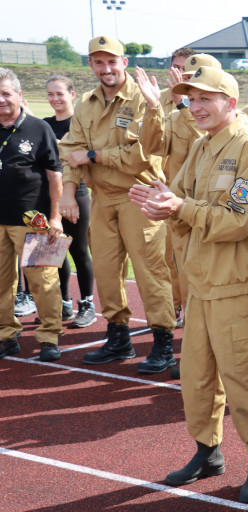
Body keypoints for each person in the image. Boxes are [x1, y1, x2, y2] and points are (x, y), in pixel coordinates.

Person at [129, 65, 248, 503]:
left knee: (243, 377)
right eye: (191, 100)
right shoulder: (200, 146)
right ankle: (208, 451)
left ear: (230, 103)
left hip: (237, 282)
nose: (196, 108)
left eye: (205, 99)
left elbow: (238, 220)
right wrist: (162, 205)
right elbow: (179, 200)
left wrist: (181, 207)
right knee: (196, 376)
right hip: (199, 283)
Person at [59, 35, 177, 374]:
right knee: (107, 272)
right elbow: (71, 150)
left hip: (138, 195)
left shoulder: (143, 99)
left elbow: (141, 157)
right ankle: (118, 336)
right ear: (91, 64)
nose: (106, 68)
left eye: (112, 61)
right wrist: (69, 190)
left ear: (124, 62)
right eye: (99, 61)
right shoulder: (85, 103)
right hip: (102, 198)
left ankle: (162, 341)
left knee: (150, 272)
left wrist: (95, 155)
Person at [137, 54, 221, 333]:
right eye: (185, 79)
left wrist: (183, 105)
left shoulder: (228, 115)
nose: (188, 85)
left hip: (213, 214)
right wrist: (152, 107)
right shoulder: (174, 114)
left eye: (195, 78)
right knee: (180, 275)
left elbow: (205, 137)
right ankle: (191, 342)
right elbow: (152, 146)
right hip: (180, 212)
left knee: (213, 280)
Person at [0, 67, 64, 362]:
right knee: (1, 283)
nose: (1, 100)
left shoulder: (39, 128)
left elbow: (55, 176)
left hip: (33, 220)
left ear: (19, 95)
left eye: (6, 93)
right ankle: (6, 335)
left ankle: (50, 336)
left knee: (44, 281)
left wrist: (55, 217)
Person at [43, 75, 96, 329]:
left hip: (77, 194)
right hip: (51, 197)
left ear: (72, 95)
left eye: (60, 94)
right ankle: (64, 302)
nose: (55, 99)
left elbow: (82, 157)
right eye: (50, 95)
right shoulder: (43, 125)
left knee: (78, 249)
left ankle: (87, 304)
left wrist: (60, 145)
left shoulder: (81, 123)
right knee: (56, 251)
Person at [159, 47, 196, 116]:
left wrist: (182, 103)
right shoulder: (159, 97)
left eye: (185, 68)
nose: (180, 73)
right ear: (170, 69)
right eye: (176, 67)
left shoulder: (202, 100)